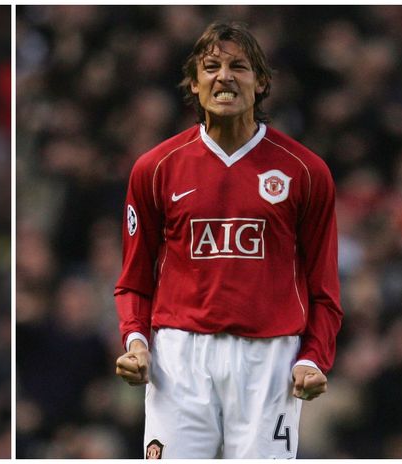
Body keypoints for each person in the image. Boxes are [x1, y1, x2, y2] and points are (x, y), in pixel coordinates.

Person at [113, 21, 342, 459]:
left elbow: (325, 289)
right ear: (194, 84)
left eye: (239, 66)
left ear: (262, 83)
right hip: (178, 358)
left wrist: (313, 358)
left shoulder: (305, 172)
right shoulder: (155, 168)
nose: (224, 77)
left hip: (269, 361)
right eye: (211, 67)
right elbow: (134, 281)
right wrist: (136, 342)